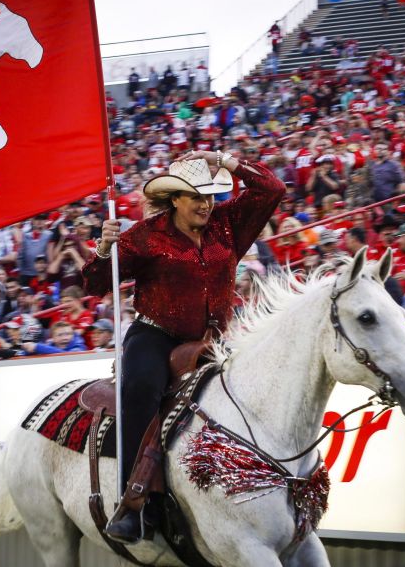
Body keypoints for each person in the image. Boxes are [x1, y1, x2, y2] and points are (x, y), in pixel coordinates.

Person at [82, 150, 284, 543]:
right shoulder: (146, 235)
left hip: (216, 340)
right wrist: (105, 250)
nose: (206, 205)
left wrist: (223, 159)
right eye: (197, 196)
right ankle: (134, 502)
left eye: (210, 196)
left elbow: (272, 187)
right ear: (175, 199)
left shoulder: (230, 224)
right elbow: (94, 285)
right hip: (156, 335)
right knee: (140, 389)